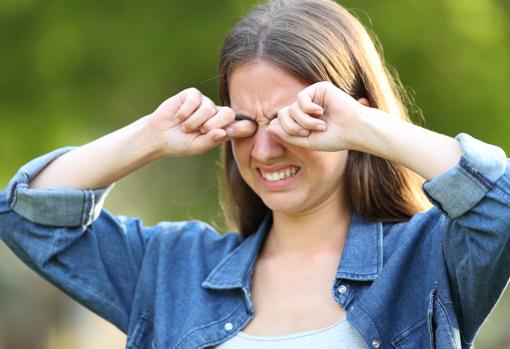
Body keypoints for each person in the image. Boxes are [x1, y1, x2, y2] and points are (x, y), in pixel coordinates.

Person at [1, 0, 509, 348]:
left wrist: (364, 126)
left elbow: (500, 203)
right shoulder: (174, 269)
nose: (265, 149)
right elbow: (28, 217)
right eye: (246, 122)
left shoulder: (428, 258)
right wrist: (150, 135)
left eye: (295, 121)